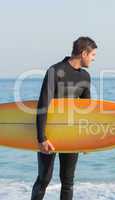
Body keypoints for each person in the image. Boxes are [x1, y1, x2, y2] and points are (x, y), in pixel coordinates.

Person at [31, 37, 97, 200]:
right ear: (83, 53)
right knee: (44, 179)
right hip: (50, 134)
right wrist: (42, 137)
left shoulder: (85, 77)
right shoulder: (55, 71)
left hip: (71, 134)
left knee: (68, 181)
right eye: (93, 55)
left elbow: (85, 111)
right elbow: (43, 105)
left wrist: (85, 139)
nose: (93, 59)